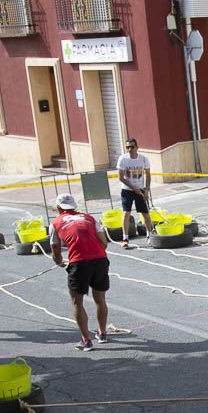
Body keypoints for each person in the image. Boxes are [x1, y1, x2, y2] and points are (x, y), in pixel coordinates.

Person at [49, 193, 113, 351]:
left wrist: (59, 262)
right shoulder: (90, 218)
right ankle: (102, 333)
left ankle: (86, 340)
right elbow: (104, 242)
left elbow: (55, 249)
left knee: (77, 301)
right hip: (100, 260)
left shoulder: (55, 223)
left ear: (58, 208)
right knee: (100, 298)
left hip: (78, 263)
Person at [116, 137, 152, 245]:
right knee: (126, 212)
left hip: (141, 189)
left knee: (145, 213)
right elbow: (121, 177)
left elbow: (148, 175)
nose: (130, 149)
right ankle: (125, 238)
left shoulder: (143, 159)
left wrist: (146, 190)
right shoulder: (123, 159)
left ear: (137, 147)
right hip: (127, 190)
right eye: (128, 147)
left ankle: (149, 235)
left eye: (132, 147)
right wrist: (133, 187)